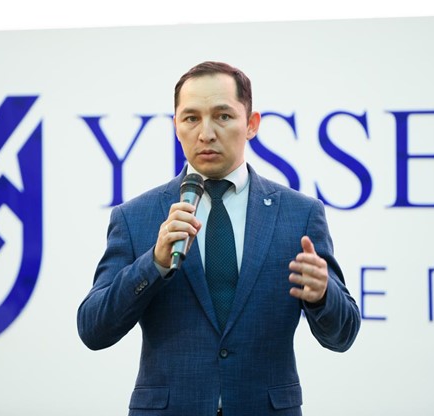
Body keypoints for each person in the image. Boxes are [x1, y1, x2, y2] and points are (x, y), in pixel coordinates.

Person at [77, 61, 360, 416]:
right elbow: (93, 329)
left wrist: (322, 295)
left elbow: (343, 335)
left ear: (251, 124)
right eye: (191, 118)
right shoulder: (135, 216)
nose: (206, 133)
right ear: (176, 126)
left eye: (223, 116)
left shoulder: (299, 214)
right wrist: (154, 264)